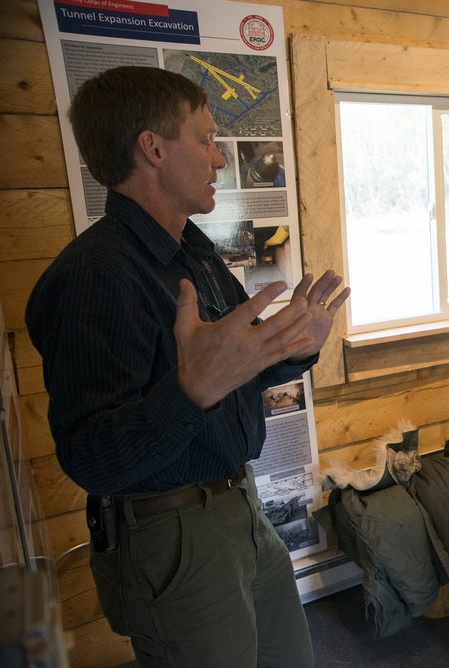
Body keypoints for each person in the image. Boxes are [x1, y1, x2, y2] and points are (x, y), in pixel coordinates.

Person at [25, 66, 350, 667]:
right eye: (204, 140)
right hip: (172, 532)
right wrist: (187, 394)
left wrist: (295, 347)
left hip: (239, 507)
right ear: (152, 148)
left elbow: (237, 370)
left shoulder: (193, 252)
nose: (219, 159)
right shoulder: (92, 277)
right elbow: (90, 457)